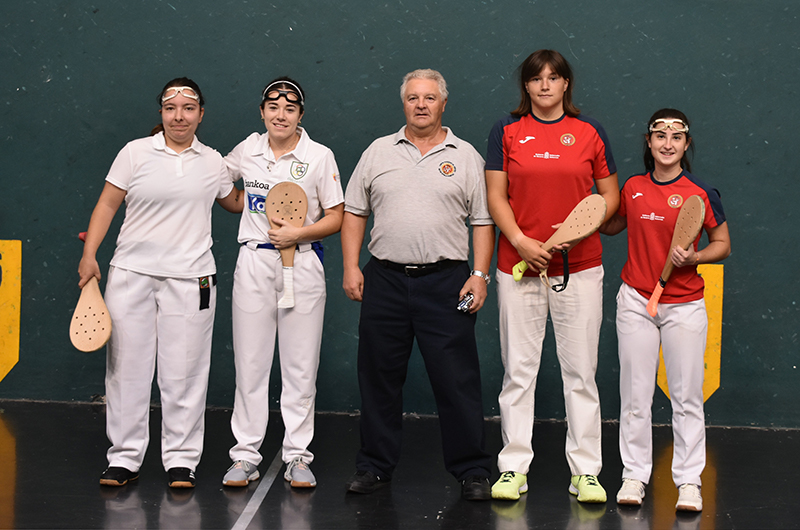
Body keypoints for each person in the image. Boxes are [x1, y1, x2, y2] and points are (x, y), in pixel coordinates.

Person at [79, 78, 242, 488]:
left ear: (201, 114)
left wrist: (272, 187)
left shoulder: (213, 162)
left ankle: (181, 462)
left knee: (185, 372)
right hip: (130, 275)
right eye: (171, 108)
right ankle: (124, 458)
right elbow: (107, 203)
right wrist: (89, 254)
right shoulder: (135, 153)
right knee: (126, 369)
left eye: (188, 108)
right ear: (161, 114)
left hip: (192, 280)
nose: (179, 116)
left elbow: (236, 201)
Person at [341, 69, 495, 501]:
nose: (421, 104)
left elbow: (483, 222)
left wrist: (479, 276)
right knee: (378, 378)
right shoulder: (377, 152)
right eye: (413, 97)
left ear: (444, 103)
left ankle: (472, 471)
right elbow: (354, 212)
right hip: (384, 280)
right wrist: (352, 267)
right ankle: (374, 466)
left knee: (457, 379)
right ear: (404, 103)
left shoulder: (464, 156)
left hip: (447, 284)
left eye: (429, 97)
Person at [485, 49, 620, 503]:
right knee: (518, 373)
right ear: (525, 86)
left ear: (566, 85)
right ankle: (512, 468)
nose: (545, 85)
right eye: (536, 78)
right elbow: (495, 197)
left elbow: (609, 199)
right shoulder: (506, 130)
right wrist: (522, 242)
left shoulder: (590, 132)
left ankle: (585, 472)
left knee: (581, 373)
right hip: (517, 268)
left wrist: (572, 236)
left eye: (554, 77)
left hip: (579, 269)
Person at [600, 109, 730, 512]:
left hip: (685, 305)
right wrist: (583, 209)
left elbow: (722, 244)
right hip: (637, 301)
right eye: (660, 135)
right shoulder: (634, 188)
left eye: (677, 136)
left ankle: (689, 481)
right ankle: (633, 476)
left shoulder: (701, 192)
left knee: (687, 396)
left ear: (686, 144)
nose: (668, 143)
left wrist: (695, 257)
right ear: (649, 141)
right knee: (634, 395)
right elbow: (610, 224)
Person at [221, 77, 344, 489]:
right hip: (253, 263)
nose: (281, 114)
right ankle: (245, 456)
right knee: (251, 365)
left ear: (301, 115)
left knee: (300, 367)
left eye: (290, 108)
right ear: (262, 111)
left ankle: (297, 456)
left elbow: (336, 216)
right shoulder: (246, 151)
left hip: (304, 266)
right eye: (273, 106)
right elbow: (223, 187)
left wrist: (299, 235)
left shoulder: (319, 156)